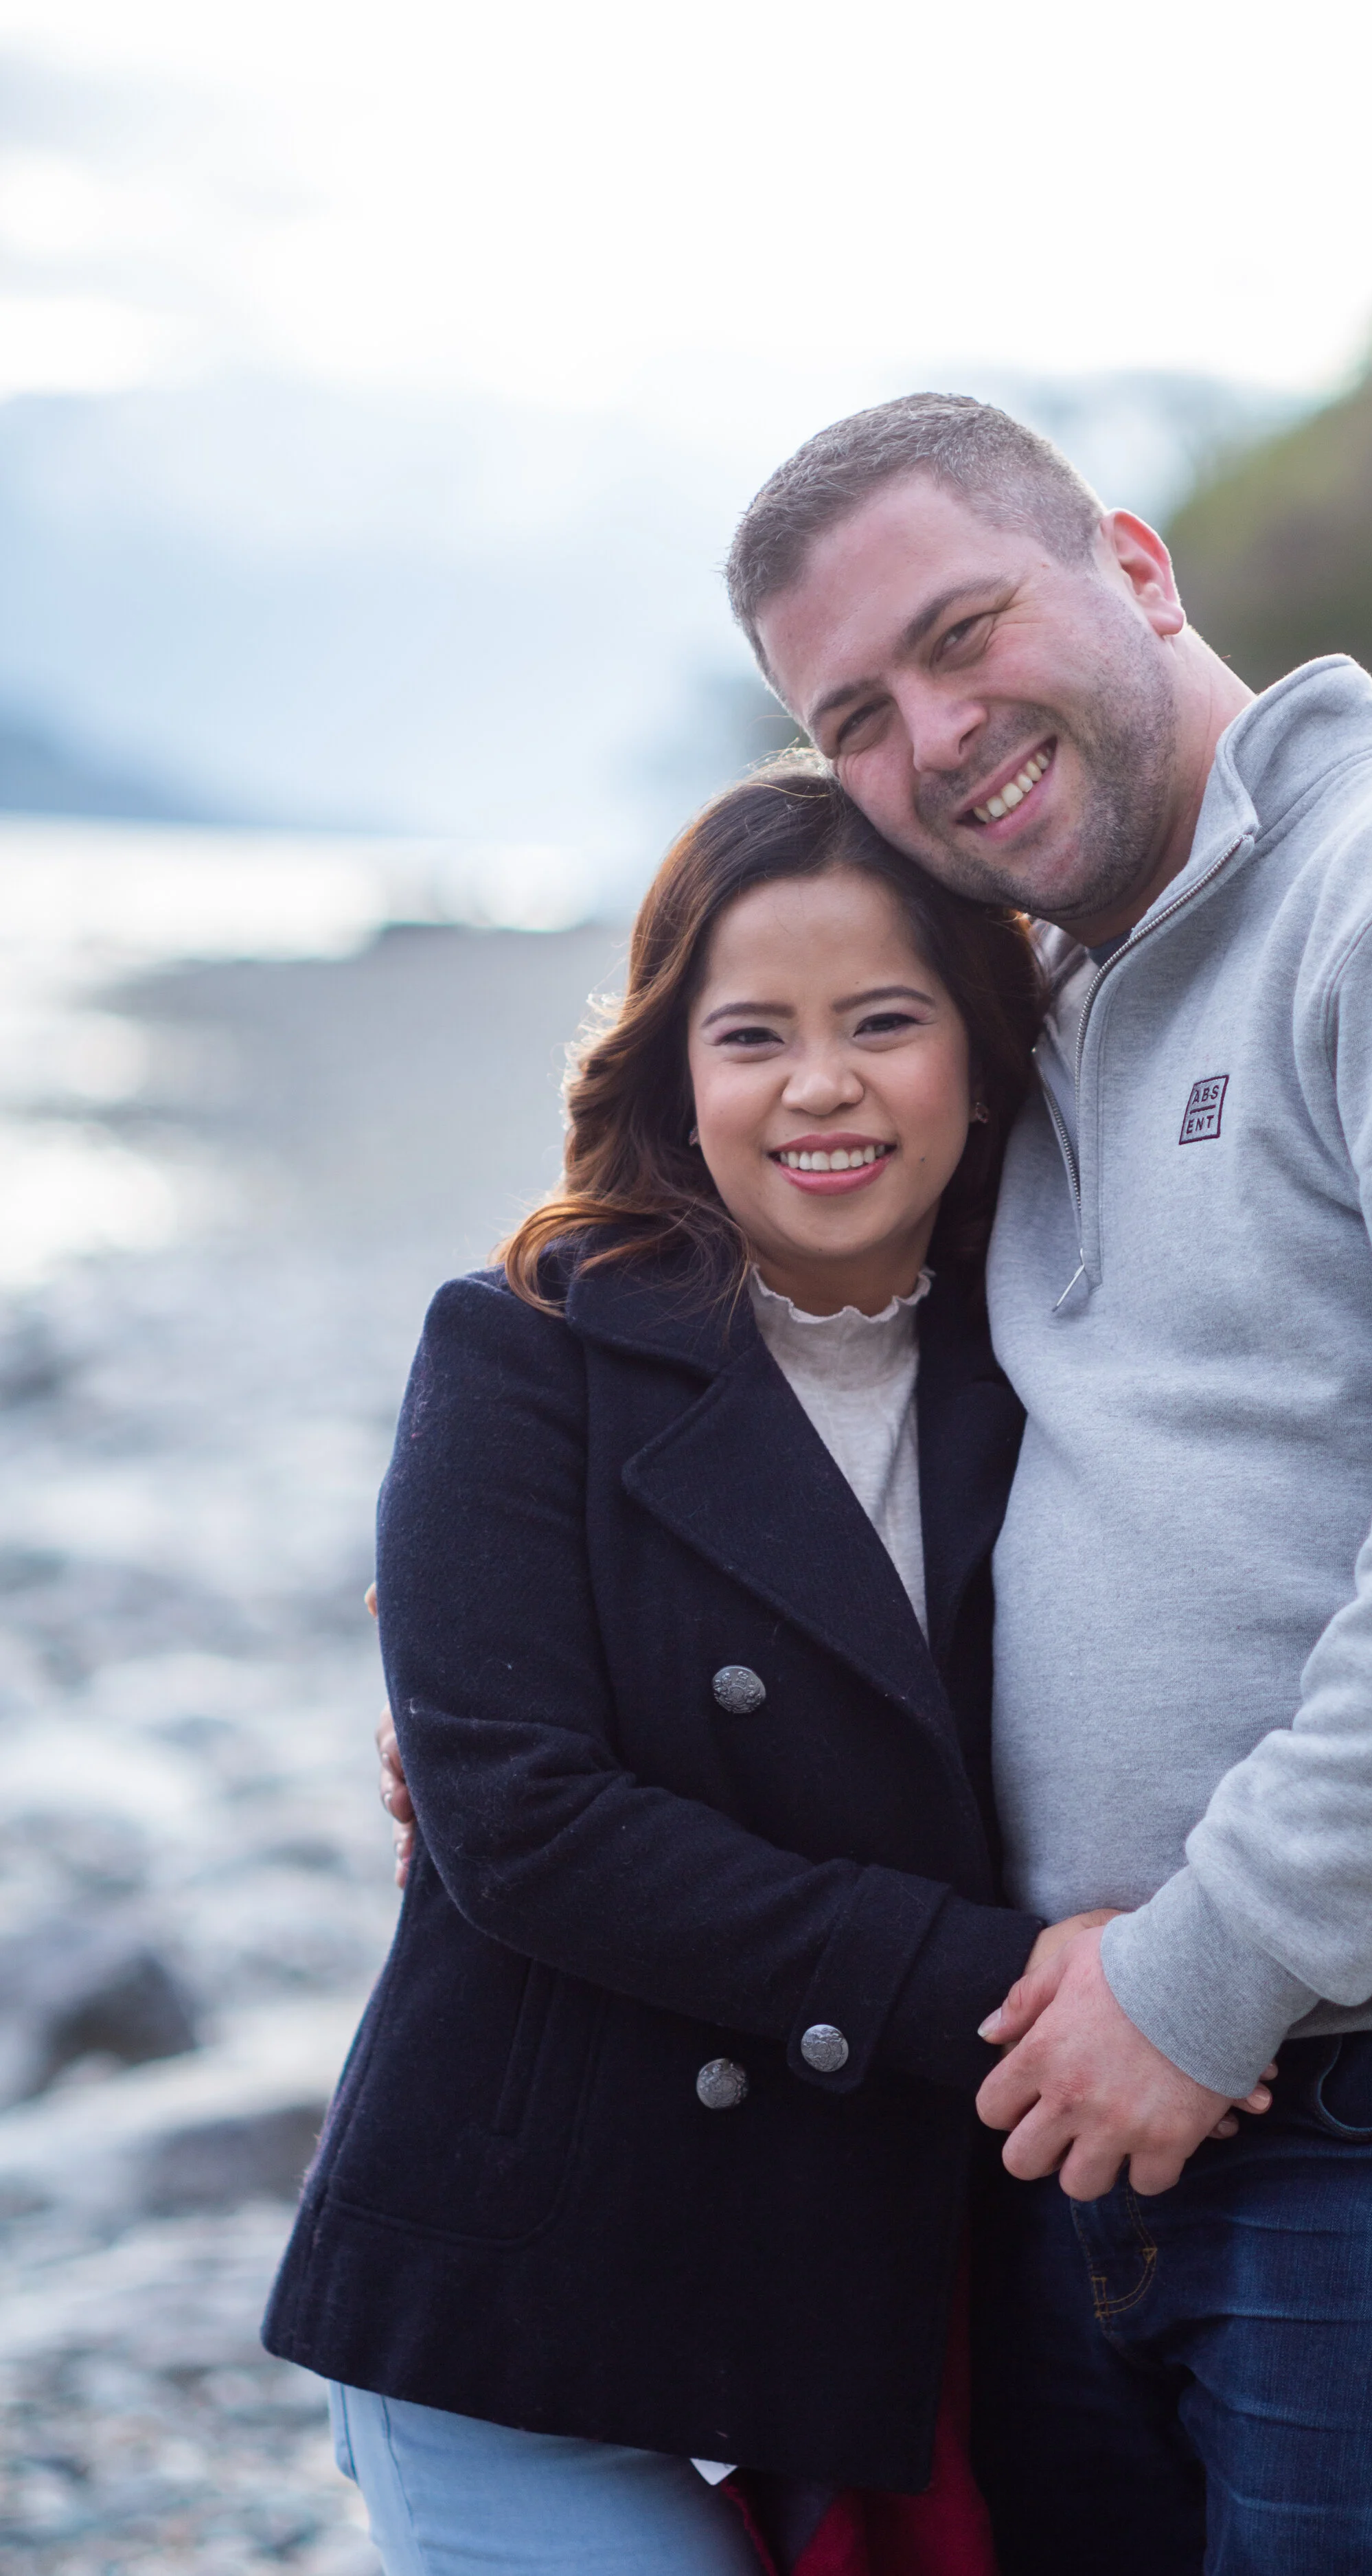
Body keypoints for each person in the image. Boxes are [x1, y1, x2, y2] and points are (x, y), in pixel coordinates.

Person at [704, 394, 1372, 2575]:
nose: (939, 736)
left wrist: (1204, 1968)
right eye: (856, 715)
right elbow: (825, 1365)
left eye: (966, 632)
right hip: (1117, 2082)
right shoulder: (1038, 1007)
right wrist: (549, 1662)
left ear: (1137, 566)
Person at [264, 763, 1267, 2576]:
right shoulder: (524, 1349)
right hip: (526, 2272)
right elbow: (522, 1821)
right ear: (673, 1070)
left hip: (882, 2277)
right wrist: (1006, 1976)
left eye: (883, 1020)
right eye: (753, 1034)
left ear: (978, 1045)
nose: (821, 1086)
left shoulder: (1061, 1370)